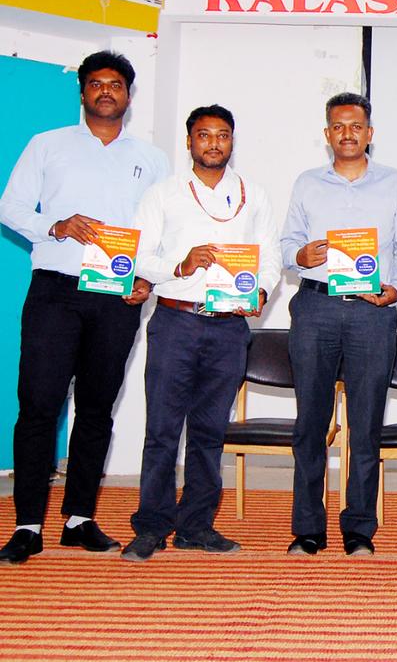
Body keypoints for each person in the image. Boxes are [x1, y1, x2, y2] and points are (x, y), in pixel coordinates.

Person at [0, 51, 168, 565]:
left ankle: (79, 519)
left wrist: (147, 278)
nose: (105, 91)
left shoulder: (153, 159)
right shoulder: (47, 145)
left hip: (116, 297)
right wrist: (55, 225)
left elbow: (161, 235)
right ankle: (28, 524)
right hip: (55, 288)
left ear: (129, 96)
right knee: (39, 407)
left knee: (97, 409)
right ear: (83, 93)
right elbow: (9, 206)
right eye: (95, 83)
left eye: (115, 84)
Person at [121, 104, 281, 562]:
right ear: (189, 141)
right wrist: (180, 264)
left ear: (233, 141)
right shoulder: (163, 194)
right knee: (162, 431)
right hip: (176, 321)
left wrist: (263, 290)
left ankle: (196, 526)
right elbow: (138, 255)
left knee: (210, 432)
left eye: (223, 135)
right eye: (204, 135)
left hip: (229, 327)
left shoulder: (255, 195)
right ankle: (151, 526)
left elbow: (268, 255)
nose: (214, 143)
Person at [281, 92, 397, 556]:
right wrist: (299, 255)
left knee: (365, 425)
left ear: (369, 134)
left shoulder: (395, 183)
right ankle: (307, 528)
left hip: (371, 313)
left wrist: (396, 291)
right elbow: (287, 244)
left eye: (356, 126)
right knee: (310, 424)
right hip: (316, 306)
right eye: (338, 127)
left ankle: (359, 528)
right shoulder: (306, 183)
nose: (347, 134)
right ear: (327, 135)